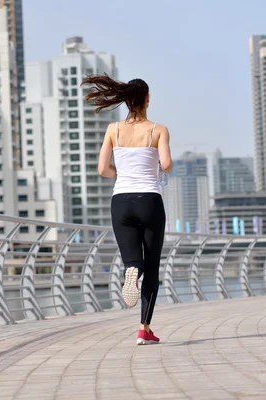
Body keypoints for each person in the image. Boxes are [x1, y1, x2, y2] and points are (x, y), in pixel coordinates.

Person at [82, 75, 173, 345]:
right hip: (149, 200)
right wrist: (158, 166)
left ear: (125, 100)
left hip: (120, 201)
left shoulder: (114, 129)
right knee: (153, 266)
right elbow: (166, 164)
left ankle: (131, 270)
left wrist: (122, 172)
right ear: (146, 99)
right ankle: (144, 328)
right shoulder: (158, 130)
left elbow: (102, 170)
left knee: (134, 261)